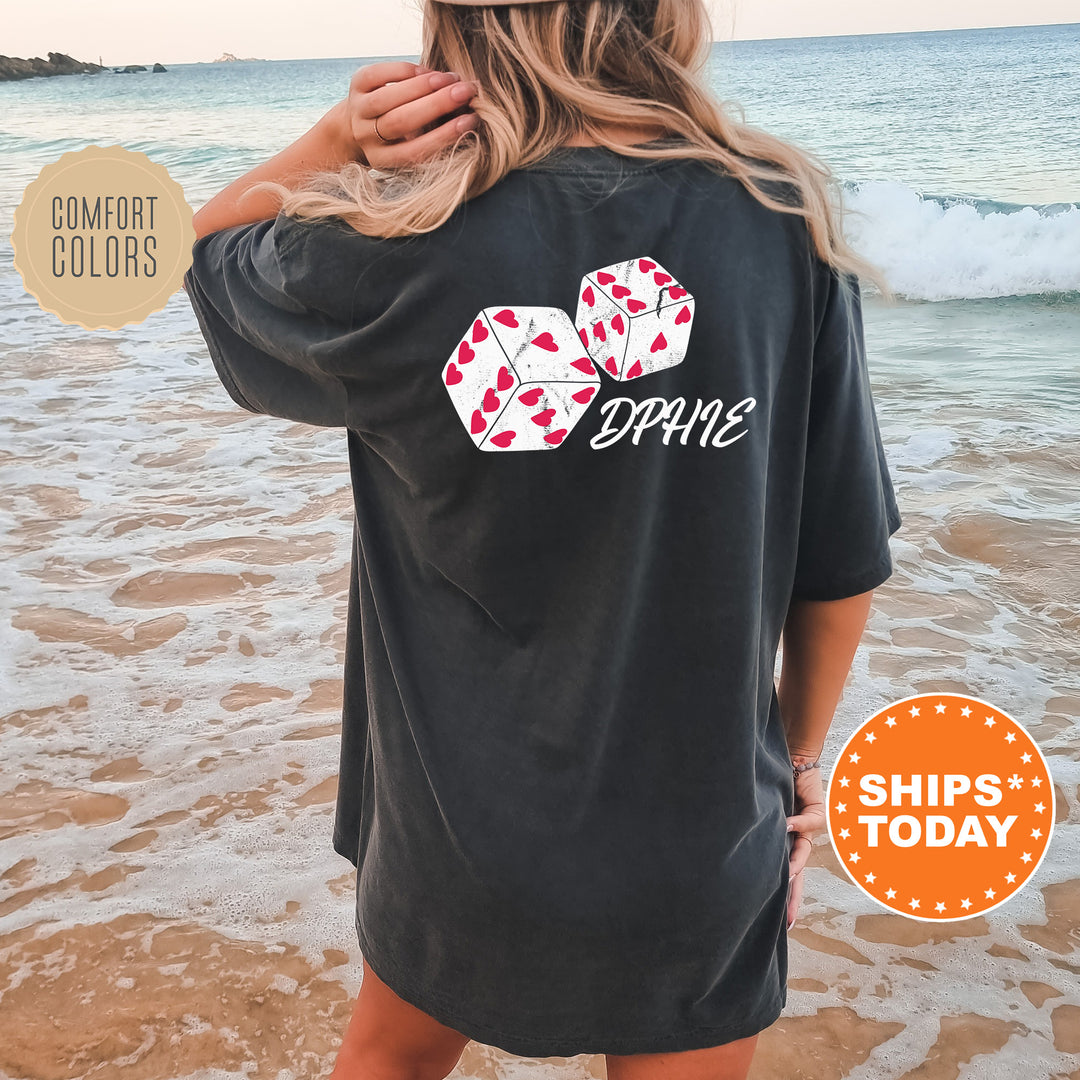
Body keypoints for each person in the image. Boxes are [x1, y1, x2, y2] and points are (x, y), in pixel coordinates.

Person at [182, 0, 903, 1076]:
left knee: (388, 1057)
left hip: (457, 833)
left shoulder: (391, 240)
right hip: (697, 831)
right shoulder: (780, 220)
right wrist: (800, 764)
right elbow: (840, 559)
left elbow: (203, 253)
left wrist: (338, 142)